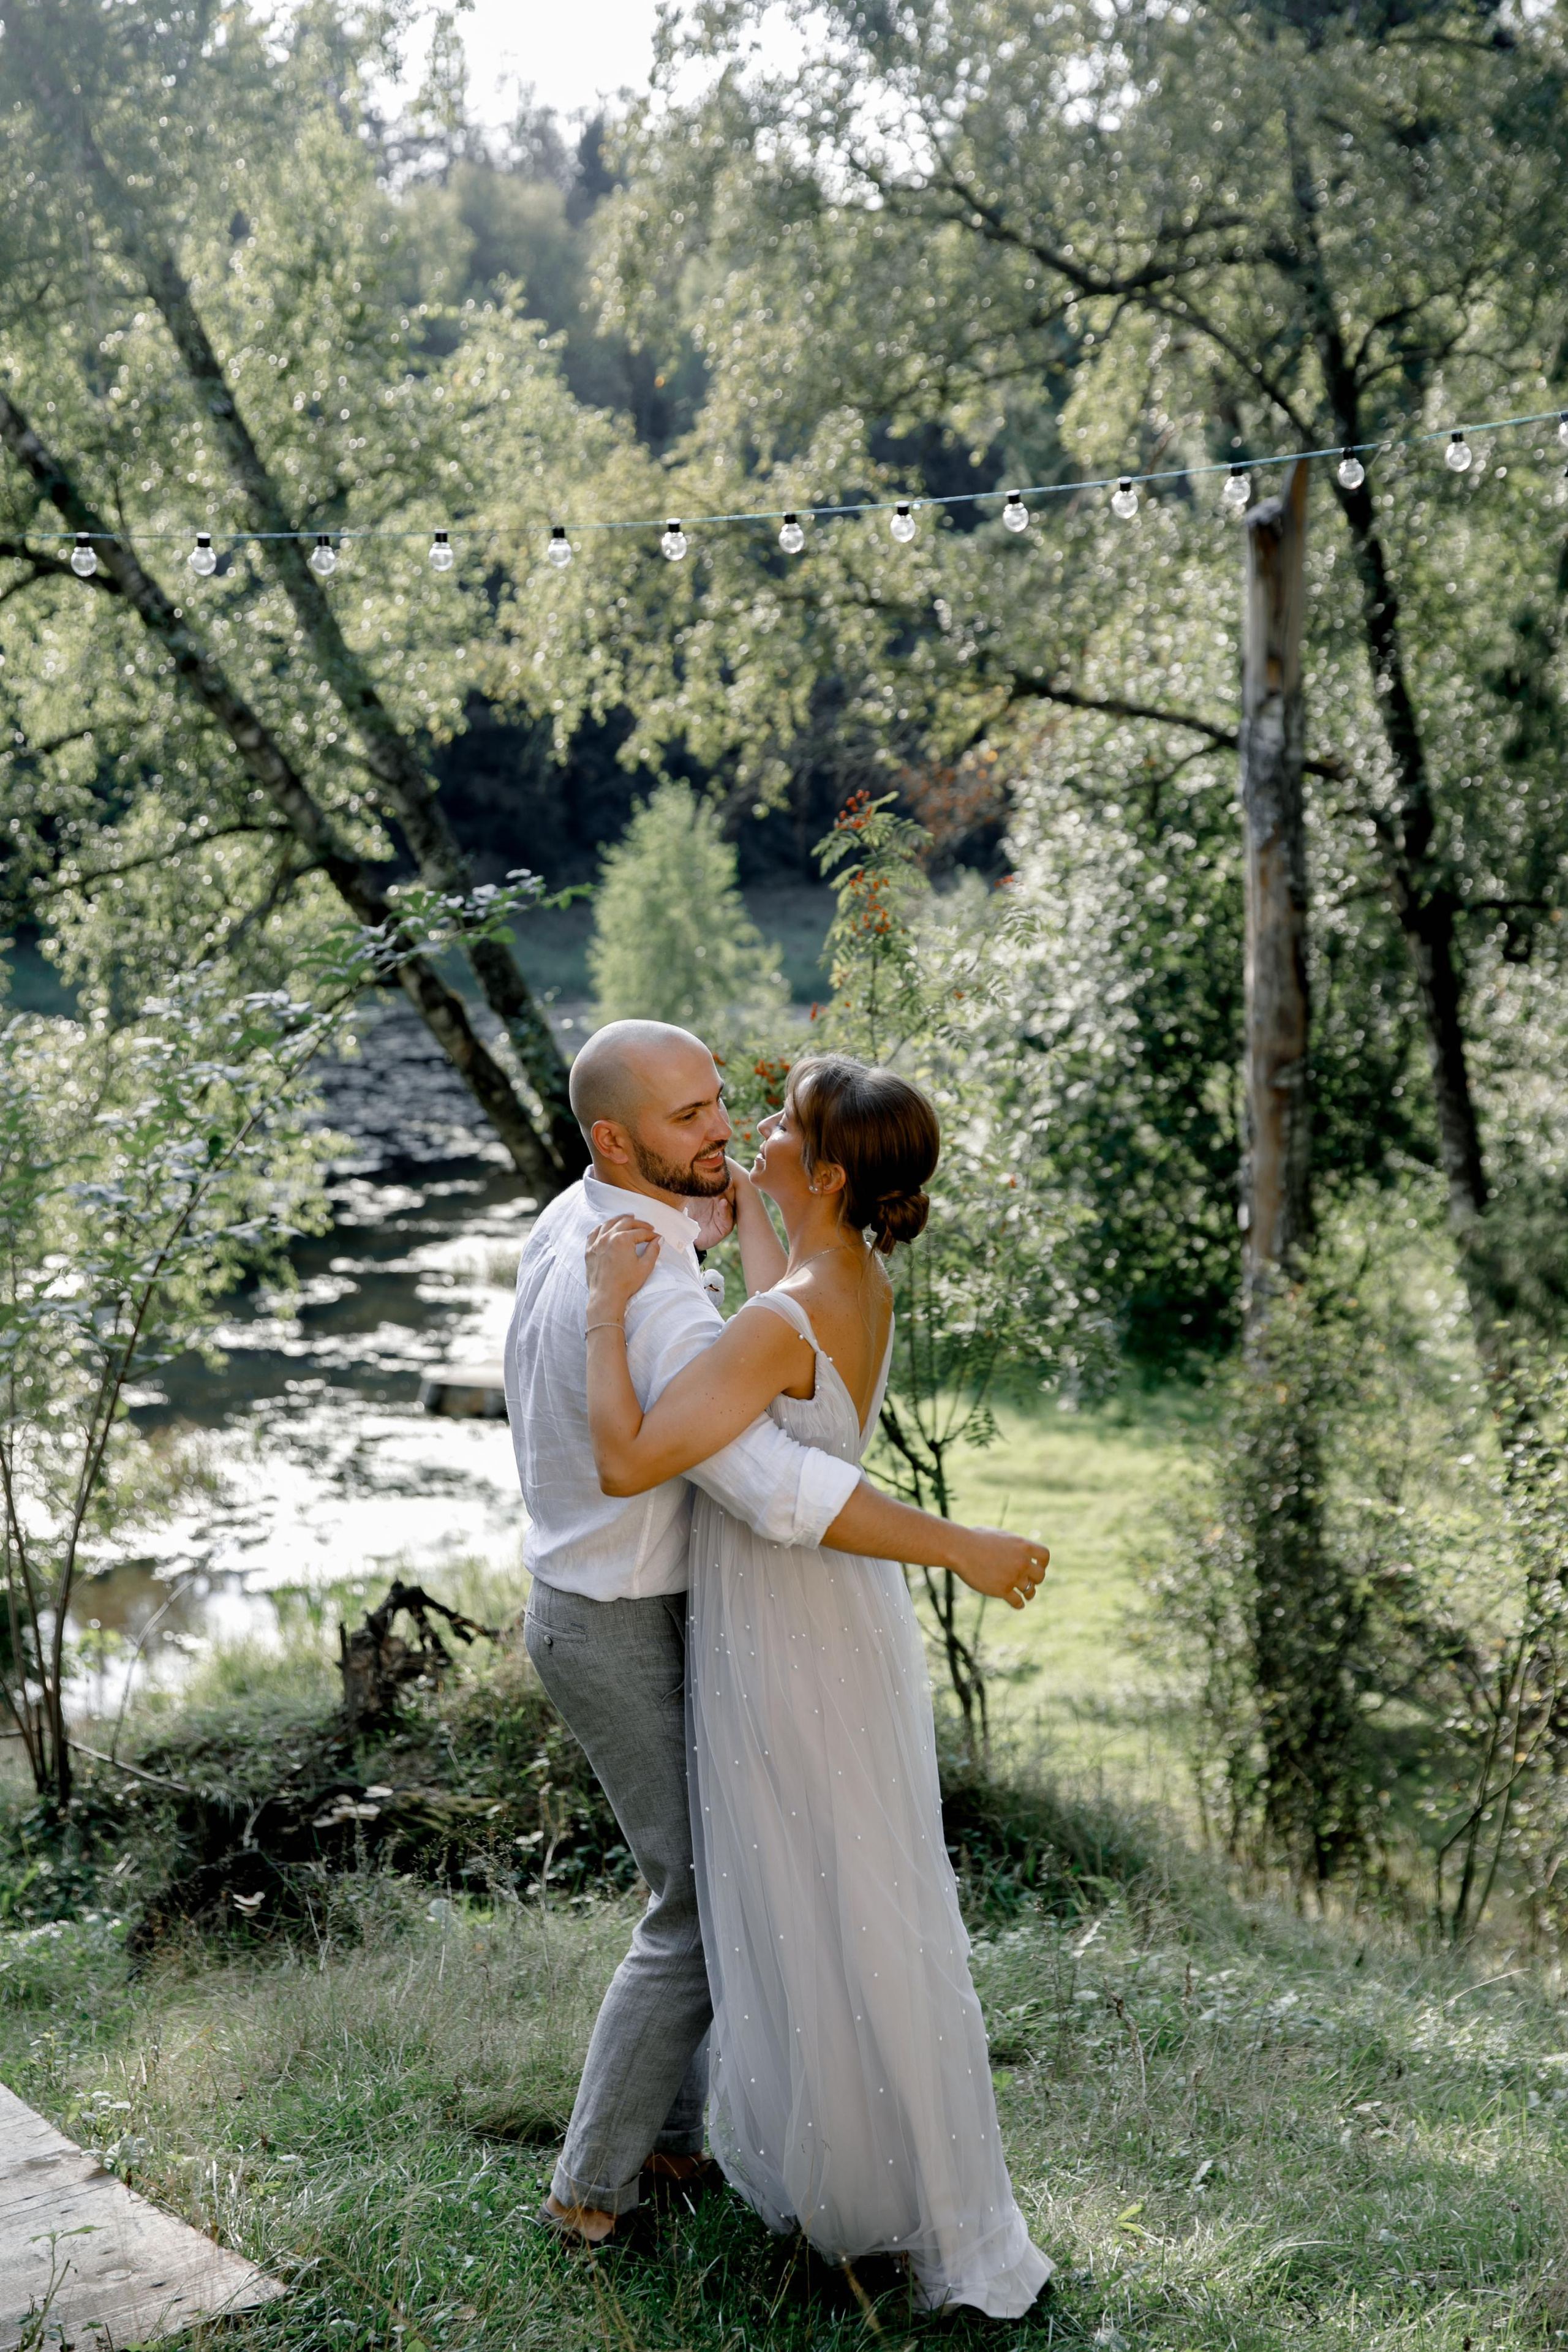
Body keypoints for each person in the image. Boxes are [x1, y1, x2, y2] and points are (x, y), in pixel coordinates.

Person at [504, 1022, 1047, 2249]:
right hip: (620, 1620)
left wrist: (723, 1221)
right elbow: (773, 1486)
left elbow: (759, 1357)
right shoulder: (669, 1298)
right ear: (615, 1139)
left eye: (738, 1109)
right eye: (692, 1116)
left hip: (646, 1603)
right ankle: (591, 2189)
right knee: (704, 1905)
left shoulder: (585, 1219)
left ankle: (666, 2141)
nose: (730, 1130)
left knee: (719, 1883)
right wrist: (959, 1545)